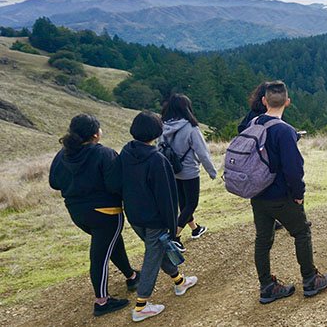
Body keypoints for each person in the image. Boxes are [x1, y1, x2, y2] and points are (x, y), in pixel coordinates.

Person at [250, 81, 327, 302]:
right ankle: (310, 280)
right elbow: (293, 169)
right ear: (287, 102)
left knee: (263, 240)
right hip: (280, 195)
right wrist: (299, 193)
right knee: (301, 233)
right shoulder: (284, 130)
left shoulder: (254, 123)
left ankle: (267, 286)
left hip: (257, 195)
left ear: (264, 101)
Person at [48, 114, 138, 317]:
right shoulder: (105, 154)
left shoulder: (63, 154)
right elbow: (116, 186)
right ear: (96, 134)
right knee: (100, 256)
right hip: (106, 213)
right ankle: (102, 301)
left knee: (110, 244)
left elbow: (54, 182)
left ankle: (132, 276)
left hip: (77, 213)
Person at [117, 111, 198, 322]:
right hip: (154, 219)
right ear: (156, 132)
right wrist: (172, 228)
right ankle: (141, 305)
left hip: (134, 216)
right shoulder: (157, 160)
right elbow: (167, 198)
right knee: (152, 258)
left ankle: (180, 282)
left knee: (158, 251)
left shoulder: (125, 152)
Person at [159, 94, 217, 252]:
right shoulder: (191, 128)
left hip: (171, 170)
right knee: (191, 203)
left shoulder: (162, 126)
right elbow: (203, 153)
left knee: (183, 203)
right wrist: (212, 172)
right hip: (189, 171)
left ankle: (195, 229)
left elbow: (160, 148)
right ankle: (174, 236)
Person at [239, 82, 285, 232]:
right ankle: (280, 219)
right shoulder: (267, 114)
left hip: (254, 159)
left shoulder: (252, 113)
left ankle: (267, 222)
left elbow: (241, 128)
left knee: (260, 190)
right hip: (268, 158)